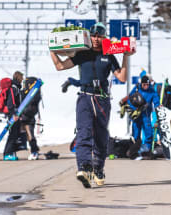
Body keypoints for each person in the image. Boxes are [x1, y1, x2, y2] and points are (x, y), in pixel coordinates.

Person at [50, 22, 135, 188]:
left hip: (102, 99)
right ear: (90, 37)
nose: (96, 39)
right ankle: (84, 167)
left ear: (104, 38)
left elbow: (122, 77)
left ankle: (98, 168)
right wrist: (52, 50)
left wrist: (125, 56)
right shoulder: (82, 54)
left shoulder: (109, 55)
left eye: (100, 36)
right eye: (94, 36)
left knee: (101, 137)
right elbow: (60, 66)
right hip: (85, 97)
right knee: (83, 133)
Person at [127, 75, 160, 153]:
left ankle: (147, 148)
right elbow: (130, 99)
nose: (146, 86)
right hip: (137, 115)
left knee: (148, 132)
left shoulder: (152, 91)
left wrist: (158, 106)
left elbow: (156, 101)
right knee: (136, 132)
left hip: (146, 115)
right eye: (144, 84)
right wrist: (134, 107)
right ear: (141, 84)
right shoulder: (136, 89)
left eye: (147, 85)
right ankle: (136, 148)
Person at [3, 71, 24, 161]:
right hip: (13, 115)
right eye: (22, 78)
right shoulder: (14, 88)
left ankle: (10, 153)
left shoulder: (16, 88)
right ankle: (7, 154)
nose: (22, 79)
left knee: (14, 134)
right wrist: (14, 115)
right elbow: (10, 104)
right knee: (13, 134)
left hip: (15, 114)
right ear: (18, 78)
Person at [20, 76, 41, 160]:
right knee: (28, 135)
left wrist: (23, 113)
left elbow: (31, 107)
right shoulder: (30, 93)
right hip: (27, 116)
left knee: (30, 134)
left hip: (27, 117)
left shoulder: (33, 94)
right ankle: (34, 149)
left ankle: (34, 151)